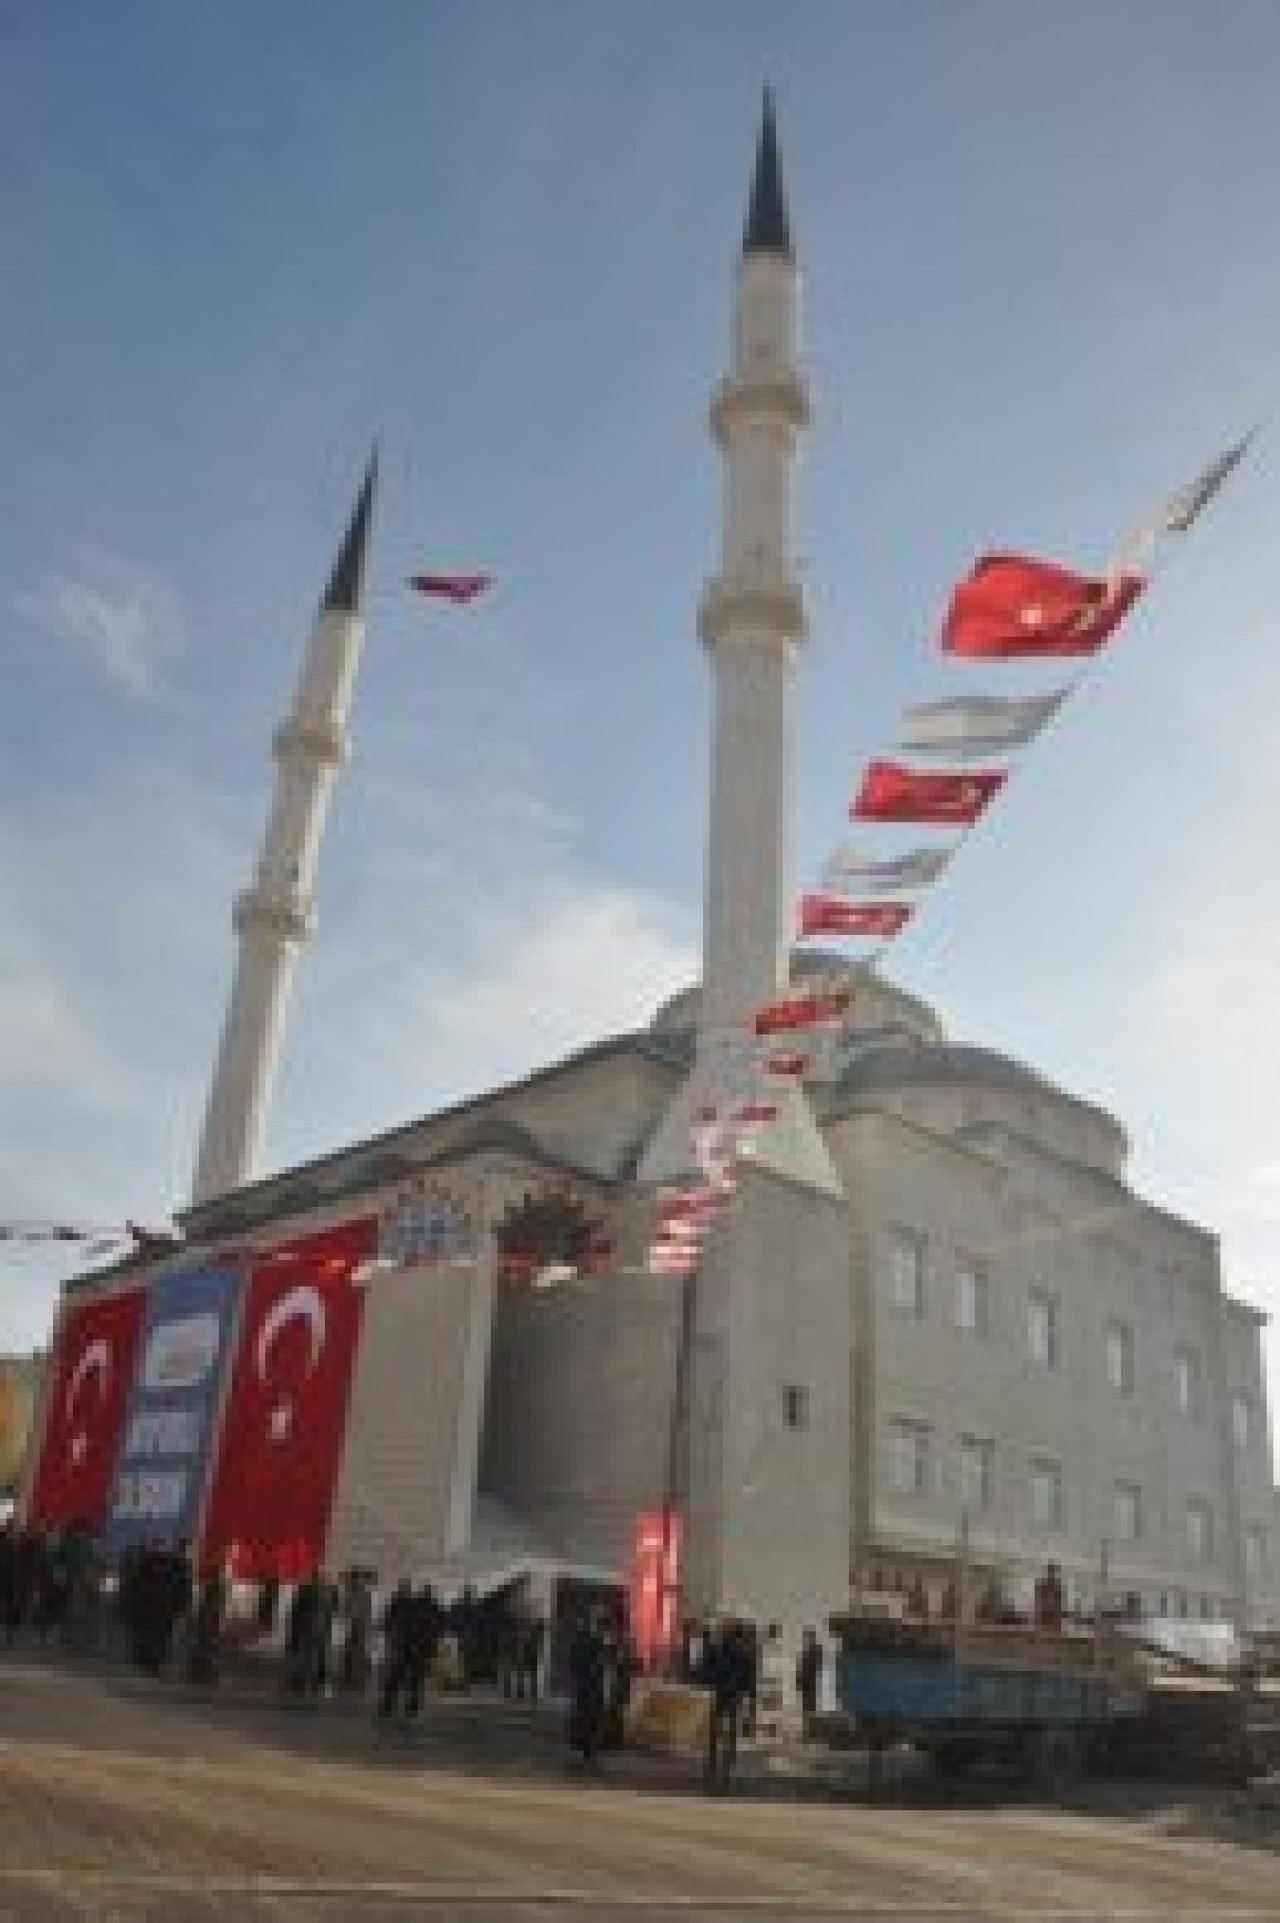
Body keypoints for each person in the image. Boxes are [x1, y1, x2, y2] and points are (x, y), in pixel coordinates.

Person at [567, 1609, 607, 1764]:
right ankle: (582, 1747)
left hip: (590, 1684)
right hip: (586, 1683)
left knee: (589, 1715)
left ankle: (586, 1747)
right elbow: (576, 1661)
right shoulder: (587, 1640)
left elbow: (600, 1661)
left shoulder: (596, 1640)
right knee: (583, 1715)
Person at [795, 1626, 823, 1736]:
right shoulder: (811, 1652)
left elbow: (806, 1668)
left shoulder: (812, 1653)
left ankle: (810, 1729)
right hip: (810, 1683)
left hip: (810, 1683)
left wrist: (800, 1679)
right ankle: (810, 1728)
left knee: (809, 1707)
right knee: (809, 1707)